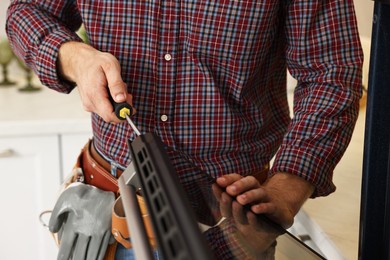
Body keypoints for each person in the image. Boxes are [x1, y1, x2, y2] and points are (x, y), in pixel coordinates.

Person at [6, 0, 363, 259]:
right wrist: (74, 57)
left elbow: (332, 74)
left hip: (235, 222)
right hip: (112, 216)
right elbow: (25, 12)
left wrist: (288, 187)